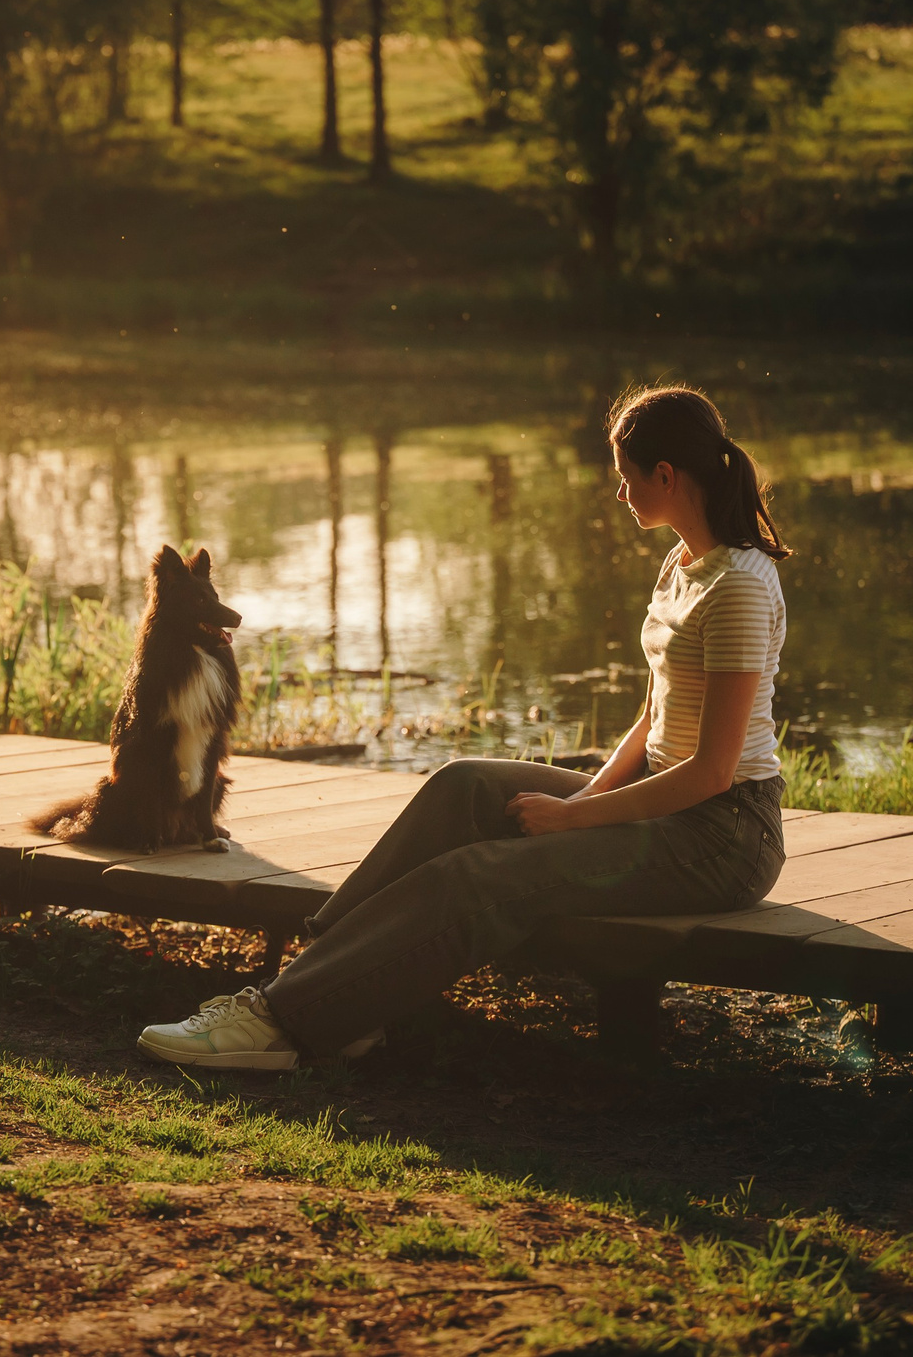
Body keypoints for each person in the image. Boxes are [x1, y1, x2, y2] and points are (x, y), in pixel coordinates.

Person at [136, 384, 791, 1070]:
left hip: (724, 835)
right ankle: (322, 992)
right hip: (671, 798)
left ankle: (282, 1022)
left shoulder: (740, 585)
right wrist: (583, 800)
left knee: (483, 875)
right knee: (463, 785)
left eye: (627, 478)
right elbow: (653, 718)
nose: (621, 494)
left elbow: (714, 770)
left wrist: (575, 821)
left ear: (666, 475)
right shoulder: (681, 563)